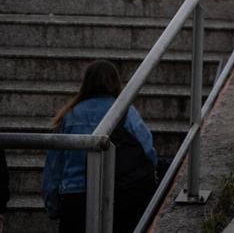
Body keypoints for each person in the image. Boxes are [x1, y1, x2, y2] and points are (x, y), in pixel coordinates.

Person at [42, 60, 157, 233]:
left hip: (75, 196)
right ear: (115, 82)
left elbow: (54, 167)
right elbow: (148, 153)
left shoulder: (70, 115)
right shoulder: (126, 112)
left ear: (86, 83)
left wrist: (53, 205)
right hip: (118, 195)